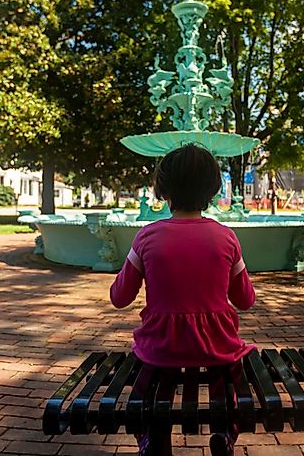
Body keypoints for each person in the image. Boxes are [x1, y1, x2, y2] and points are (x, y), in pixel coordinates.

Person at [110, 143, 256, 456]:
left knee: (153, 375)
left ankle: (152, 436)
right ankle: (224, 432)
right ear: (213, 190)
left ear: (163, 190)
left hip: (162, 344)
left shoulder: (147, 236)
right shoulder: (226, 237)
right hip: (215, 344)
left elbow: (120, 298)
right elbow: (245, 300)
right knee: (226, 371)